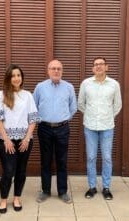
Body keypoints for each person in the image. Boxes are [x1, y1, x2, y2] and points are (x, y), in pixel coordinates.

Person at [0, 64, 40, 213]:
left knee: (21, 170)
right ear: (8, 78)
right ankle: (3, 200)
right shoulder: (1, 95)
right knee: (8, 171)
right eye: (13, 75)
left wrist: (26, 139)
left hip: (25, 140)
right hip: (6, 140)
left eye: (18, 75)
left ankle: (17, 197)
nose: (16, 78)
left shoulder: (28, 95)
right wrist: (6, 139)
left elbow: (33, 118)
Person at [33, 59, 77, 204]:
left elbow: (73, 107)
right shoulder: (40, 87)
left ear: (62, 71)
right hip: (44, 128)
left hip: (62, 128)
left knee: (62, 161)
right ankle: (45, 191)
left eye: (59, 68)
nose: (56, 71)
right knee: (45, 160)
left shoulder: (69, 87)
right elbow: (34, 106)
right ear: (48, 70)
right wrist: (43, 119)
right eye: (53, 68)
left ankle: (62, 191)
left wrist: (63, 119)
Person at [78, 57, 122, 200]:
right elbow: (81, 104)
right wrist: (91, 115)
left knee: (107, 157)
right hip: (90, 126)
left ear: (106, 67)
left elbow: (117, 106)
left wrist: (107, 116)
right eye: (96, 64)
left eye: (101, 64)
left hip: (107, 126)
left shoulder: (114, 84)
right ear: (93, 68)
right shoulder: (86, 84)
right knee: (91, 157)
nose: (98, 67)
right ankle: (91, 187)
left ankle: (106, 187)